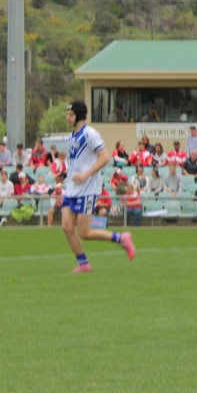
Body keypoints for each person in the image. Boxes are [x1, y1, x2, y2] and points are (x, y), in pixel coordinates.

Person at [60, 100, 135, 273]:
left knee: (85, 232)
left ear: (78, 115)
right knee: (66, 226)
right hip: (72, 188)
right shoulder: (72, 136)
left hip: (86, 190)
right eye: (68, 114)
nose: (68, 118)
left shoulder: (90, 134)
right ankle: (83, 264)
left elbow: (105, 157)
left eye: (71, 114)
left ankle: (121, 238)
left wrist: (86, 175)